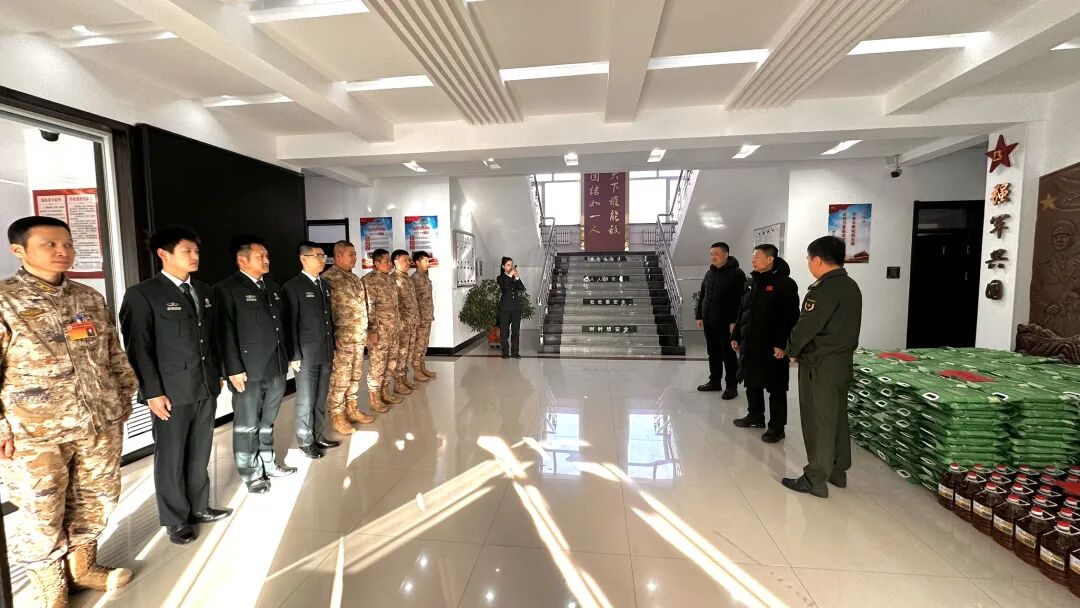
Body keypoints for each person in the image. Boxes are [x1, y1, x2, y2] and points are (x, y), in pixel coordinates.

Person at [0, 216, 139, 605]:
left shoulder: (88, 297)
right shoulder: (5, 300)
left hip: (98, 423)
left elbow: (112, 352)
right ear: (18, 250)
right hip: (35, 433)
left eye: (67, 244)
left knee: (97, 497)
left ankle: (83, 568)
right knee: (41, 509)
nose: (62, 251)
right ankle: (51, 586)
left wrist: (123, 396)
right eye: (49, 244)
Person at [119, 227, 232, 547]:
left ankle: (199, 506)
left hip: (204, 385)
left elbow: (212, 338)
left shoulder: (204, 290)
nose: (195, 257)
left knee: (200, 450)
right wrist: (152, 392)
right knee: (171, 456)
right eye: (187, 251)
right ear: (163, 254)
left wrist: (218, 374)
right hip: (170, 391)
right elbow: (138, 348)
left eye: (196, 251)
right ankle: (175, 519)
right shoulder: (142, 294)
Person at [213, 236, 296, 494]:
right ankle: (251, 473)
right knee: (247, 423)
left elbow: (281, 326)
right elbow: (224, 332)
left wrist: (288, 356)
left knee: (268, 420)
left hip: (275, 365)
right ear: (242, 260)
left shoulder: (272, 287)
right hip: (247, 370)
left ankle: (269, 463)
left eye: (267, 255)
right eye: (261, 256)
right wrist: (233, 369)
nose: (266, 260)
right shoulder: (226, 289)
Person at [782, 236, 862, 498]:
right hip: (841, 364)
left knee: (818, 421)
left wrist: (792, 350)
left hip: (819, 365)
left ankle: (815, 479)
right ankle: (838, 471)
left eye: (808, 259)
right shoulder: (851, 286)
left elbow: (806, 326)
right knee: (837, 418)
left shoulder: (823, 289)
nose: (808, 264)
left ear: (817, 260)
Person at [730, 244, 800, 443]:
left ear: (770, 259)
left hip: (772, 345)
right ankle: (755, 416)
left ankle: (777, 427)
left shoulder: (784, 284)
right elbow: (742, 311)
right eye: (753, 257)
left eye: (757, 257)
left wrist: (782, 343)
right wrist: (736, 335)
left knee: (776, 386)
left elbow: (789, 317)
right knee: (752, 380)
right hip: (751, 342)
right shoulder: (751, 282)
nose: (753, 260)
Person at [283, 242, 341, 460]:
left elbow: (328, 319)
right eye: (318, 255)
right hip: (306, 354)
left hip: (325, 350)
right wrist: (294, 354)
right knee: (306, 399)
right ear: (303, 258)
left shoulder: (324, 285)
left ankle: (318, 434)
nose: (323, 259)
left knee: (320, 397)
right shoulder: (293, 287)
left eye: (324, 255)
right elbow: (290, 323)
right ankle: (306, 440)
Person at [321, 241, 379, 426]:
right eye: (351, 254)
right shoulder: (328, 279)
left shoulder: (354, 278)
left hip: (358, 337)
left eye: (355, 254)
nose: (355, 257)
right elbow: (324, 311)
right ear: (338, 256)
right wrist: (332, 335)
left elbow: (364, 306)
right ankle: (337, 415)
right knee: (340, 378)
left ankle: (352, 409)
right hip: (342, 339)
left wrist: (369, 330)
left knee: (355, 375)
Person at [694, 242, 746, 399]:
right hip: (709, 321)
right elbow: (703, 295)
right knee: (713, 353)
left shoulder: (737, 274)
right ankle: (715, 381)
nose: (713, 257)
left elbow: (742, 300)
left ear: (726, 254)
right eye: (711, 254)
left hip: (727, 323)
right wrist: (699, 315)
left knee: (728, 355)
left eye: (716, 254)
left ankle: (731, 386)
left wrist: (735, 321)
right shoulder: (710, 273)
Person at [361, 248, 404, 406]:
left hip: (393, 329)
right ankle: (375, 397)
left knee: (391, 362)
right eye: (387, 261)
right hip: (380, 331)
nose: (390, 264)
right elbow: (369, 307)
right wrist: (372, 331)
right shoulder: (369, 280)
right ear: (377, 263)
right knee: (378, 364)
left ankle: (385, 391)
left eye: (390, 261)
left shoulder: (390, 279)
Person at [389, 249, 421, 395]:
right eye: (405, 260)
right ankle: (398, 383)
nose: (408, 263)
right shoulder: (393, 279)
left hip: (411, 323)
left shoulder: (407, 278)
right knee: (400, 354)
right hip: (402, 325)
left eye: (409, 260)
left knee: (407, 353)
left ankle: (404, 379)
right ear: (395, 262)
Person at [410, 250, 437, 380]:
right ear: (417, 262)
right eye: (425, 261)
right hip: (420, 318)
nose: (427, 263)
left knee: (424, 343)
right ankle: (416, 370)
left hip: (427, 316)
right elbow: (412, 300)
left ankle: (422, 367)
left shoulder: (425, 277)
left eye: (428, 261)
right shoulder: (414, 279)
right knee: (418, 344)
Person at [497, 256, 525, 359]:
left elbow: (521, 288)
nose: (510, 267)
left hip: (516, 309)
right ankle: (505, 353)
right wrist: (510, 275)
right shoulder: (500, 278)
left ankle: (515, 352)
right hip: (505, 309)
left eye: (511, 265)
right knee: (504, 332)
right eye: (508, 265)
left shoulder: (513, 277)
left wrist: (517, 277)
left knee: (516, 332)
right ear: (503, 266)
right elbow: (505, 286)